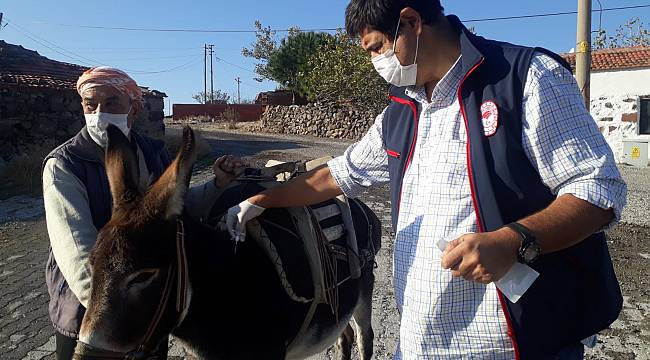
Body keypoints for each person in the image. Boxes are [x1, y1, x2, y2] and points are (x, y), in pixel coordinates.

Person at [225, 1, 628, 359]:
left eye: (378, 48)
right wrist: (263, 200)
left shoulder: (524, 79)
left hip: (513, 343)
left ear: (411, 22)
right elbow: (339, 174)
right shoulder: (402, 113)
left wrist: (512, 241)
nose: (376, 63)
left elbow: (599, 190)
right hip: (419, 343)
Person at [43, 66, 243, 359]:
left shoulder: (152, 151)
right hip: (89, 317)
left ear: (133, 108)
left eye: (111, 102)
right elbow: (75, 252)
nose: (99, 112)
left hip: (143, 310)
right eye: (90, 104)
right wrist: (109, 320)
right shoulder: (63, 165)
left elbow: (174, 210)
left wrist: (217, 185)